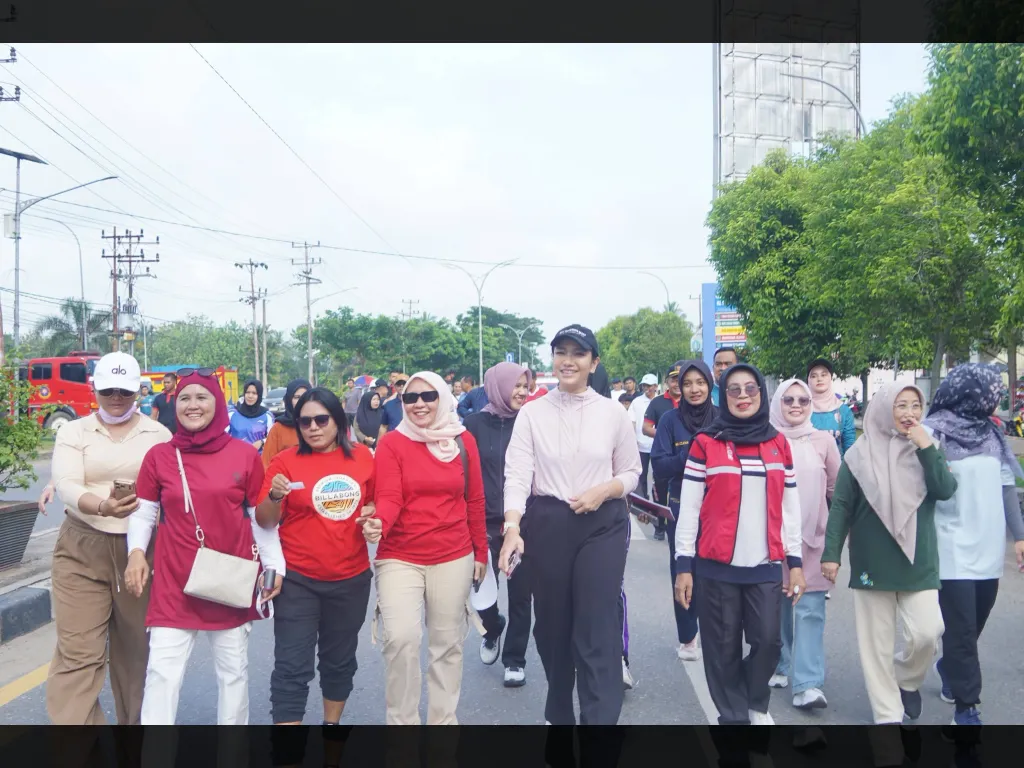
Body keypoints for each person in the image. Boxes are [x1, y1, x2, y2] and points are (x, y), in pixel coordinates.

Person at [498, 324, 641, 727]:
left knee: (596, 624)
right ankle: (559, 707)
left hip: (602, 524)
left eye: (578, 353)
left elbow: (631, 471)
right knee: (552, 628)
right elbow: (517, 473)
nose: (568, 360)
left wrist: (605, 490)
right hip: (548, 523)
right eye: (561, 352)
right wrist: (513, 526)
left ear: (593, 362)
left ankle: (599, 722)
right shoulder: (532, 413)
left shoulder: (613, 413)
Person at [124, 369, 285, 726]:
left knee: (233, 674)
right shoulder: (159, 457)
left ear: (218, 404)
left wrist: (275, 567)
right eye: (184, 398)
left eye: (202, 398)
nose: (192, 405)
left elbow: (259, 518)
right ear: (173, 404)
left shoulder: (243, 455)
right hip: (173, 582)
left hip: (229, 579)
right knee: (162, 674)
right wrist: (135, 552)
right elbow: (144, 512)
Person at [673, 363, 805, 726]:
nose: (743, 396)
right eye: (734, 390)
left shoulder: (779, 443)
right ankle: (734, 717)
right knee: (722, 649)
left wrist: (795, 562)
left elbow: (790, 508)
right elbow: (690, 509)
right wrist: (684, 566)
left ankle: (754, 700)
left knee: (768, 644)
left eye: (750, 389)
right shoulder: (706, 444)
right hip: (716, 567)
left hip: (764, 565)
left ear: (761, 393)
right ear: (723, 396)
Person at [46, 352, 172, 726]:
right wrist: (102, 506)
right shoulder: (73, 431)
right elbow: (67, 484)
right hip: (82, 547)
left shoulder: (158, 434)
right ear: (94, 388)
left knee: (136, 654)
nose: (116, 397)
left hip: (141, 551)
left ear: (139, 391)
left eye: (125, 391)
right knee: (77, 653)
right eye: (108, 390)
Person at [821, 382, 957, 725]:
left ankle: (907, 679)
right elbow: (841, 506)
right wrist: (832, 554)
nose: (909, 413)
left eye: (915, 405)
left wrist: (926, 446)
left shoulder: (928, 447)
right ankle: (887, 714)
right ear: (884, 409)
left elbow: (944, 490)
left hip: (919, 560)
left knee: (928, 632)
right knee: (876, 644)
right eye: (900, 405)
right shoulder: (859, 455)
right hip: (873, 561)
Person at [359, 370, 488, 725]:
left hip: (454, 554)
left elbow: (475, 499)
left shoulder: (463, 441)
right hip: (400, 555)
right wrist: (379, 523)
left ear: (443, 398)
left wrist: (481, 551)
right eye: (411, 398)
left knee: (446, 648)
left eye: (428, 396)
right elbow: (389, 495)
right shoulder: (392, 444)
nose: (419, 404)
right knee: (400, 640)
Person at [256, 388, 374, 741]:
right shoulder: (285, 462)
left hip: (351, 579)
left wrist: (374, 512)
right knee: (292, 666)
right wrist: (276, 495)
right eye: (304, 421)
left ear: (338, 421)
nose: (312, 427)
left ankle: (331, 728)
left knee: (339, 662)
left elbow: (383, 503)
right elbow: (263, 520)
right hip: (299, 581)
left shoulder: (366, 458)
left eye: (321, 419)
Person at [922, 364, 1024, 726]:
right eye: (990, 392)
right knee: (962, 626)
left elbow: (1006, 486)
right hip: (949, 543)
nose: (994, 399)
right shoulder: (933, 432)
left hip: (988, 545)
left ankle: (949, 665)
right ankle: (967, 708)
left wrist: (1020, 537)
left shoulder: (993, 434)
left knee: (976, 619)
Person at [767, 379, 841, 710]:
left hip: (813, 540)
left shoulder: (824, 440)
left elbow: (838, 493)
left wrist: (836, 545)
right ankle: (782, 661)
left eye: (803, 399)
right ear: (777, 403)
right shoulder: (764, 439)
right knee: (779, 606)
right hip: (771, 540)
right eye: (788, 399)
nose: (796, 405)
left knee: (810, 609)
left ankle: (808, 684)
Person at [463, 361, 533, 688]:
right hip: (483, 522)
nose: (521, 392)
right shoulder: (473, 425)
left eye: (525, 385)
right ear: (498, 386)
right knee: (482, 593)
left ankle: (515, 660)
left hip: (522, 522)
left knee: (520, 592)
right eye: (515, 385)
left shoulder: (531, 422)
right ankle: (493, 629)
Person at [650, 360, 717, 663]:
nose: (694, 389)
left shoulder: (723, 418)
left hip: (720, 507)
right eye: (687, 383)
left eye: (700, 382)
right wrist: (689, 456)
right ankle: (688, 636)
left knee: (717, 571)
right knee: (684, 568)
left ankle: (716, 630)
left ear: (709, 384)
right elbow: (660, 467)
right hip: (680, 506)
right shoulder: (669, 421)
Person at [644, 363, 683, 539]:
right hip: (663, 456)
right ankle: (659, 527)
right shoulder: (657, 402)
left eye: (681, 380)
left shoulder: (693, 401)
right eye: (674, 380)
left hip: (686, 457)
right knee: (659, 493)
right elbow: (646, 428)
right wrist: (666, 436)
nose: (677, 384)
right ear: (667, 382)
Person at [807, 357, 857, 457]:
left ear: (830, 378)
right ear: (808, 380)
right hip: (807, 470)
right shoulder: (802, 409)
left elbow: (850, 448)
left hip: (837, 470)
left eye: (824, 375)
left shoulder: (843, 411)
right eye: (814, 376)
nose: (819, 379)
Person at [261, 378, 311, 467]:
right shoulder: (278, 428)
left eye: (305, 396)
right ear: (289, 400)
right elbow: (267, 464)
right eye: (297, 397)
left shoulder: (320, 424)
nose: (301, 401)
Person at [630, 374, 659, 500]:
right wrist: (632, 440)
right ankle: (643, 501)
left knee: (658, 476)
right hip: (641, 445)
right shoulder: (637, 402)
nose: (646, 388)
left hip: (658, 445)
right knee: (641, 475)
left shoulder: (660, 400)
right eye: (644, 386)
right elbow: (632, 421)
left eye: (649, 386)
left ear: (655, 386)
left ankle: (657, 501)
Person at [229, 379, 275, 453]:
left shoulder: (267, 416)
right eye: (248, 392)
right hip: (236, 458)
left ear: (259, 395)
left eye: (254, 393)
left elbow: (273, 438)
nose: (250, 396)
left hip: (258, 460)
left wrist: (262, 442)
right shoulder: (232, 414)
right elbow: (223, 436)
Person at [353, 381, 387, 449]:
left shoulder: (382, 412)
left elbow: (385, 428)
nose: (376, 401)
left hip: (381, 446)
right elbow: (356, 430)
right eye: (374, 399)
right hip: (365, 446)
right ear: (367, 401)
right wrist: (365, 438)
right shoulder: (360, 414)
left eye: (378, 399)